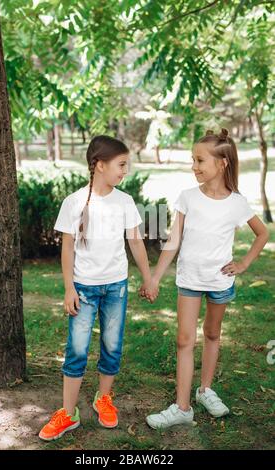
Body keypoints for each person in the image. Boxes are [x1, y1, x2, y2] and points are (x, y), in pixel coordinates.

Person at [141, 128, 269, 429]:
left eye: (200, 160)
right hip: (189, 280)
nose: (194, 166)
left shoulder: (237, 202)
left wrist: (243, 263)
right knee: (184, 339)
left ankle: (205, 390)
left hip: (219, 282)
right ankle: (182, 407)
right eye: (192, 160)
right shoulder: (187, 198)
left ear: (222, 163)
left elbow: (262, 234)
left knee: (212, 334)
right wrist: (155, 277)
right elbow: (173, 241)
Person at [39, 135, 157, 441]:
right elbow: (67, 250)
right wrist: (69, 288)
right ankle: (68, 412)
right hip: (84, 289)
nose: (125, 171)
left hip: (116, 287)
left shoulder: (125, 201)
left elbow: (135, 242)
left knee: (112, 345)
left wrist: (148, 277)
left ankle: (103, 398)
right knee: (76, 349)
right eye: (121, 164)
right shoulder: (74, 202)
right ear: (100, 165)